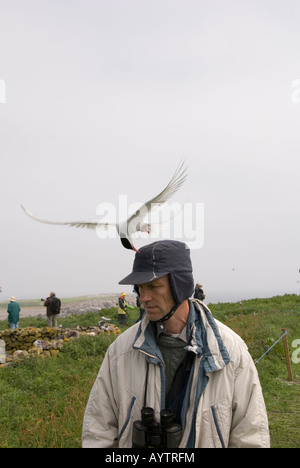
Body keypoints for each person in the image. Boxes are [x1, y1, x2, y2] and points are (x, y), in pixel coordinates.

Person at [82, 240, 270, 448]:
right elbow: (98, 432)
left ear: (179, 286)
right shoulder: (120, 351)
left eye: (153, 286)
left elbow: (250, 435)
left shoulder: (230, 352)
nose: (143, 298)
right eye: (140, 288)